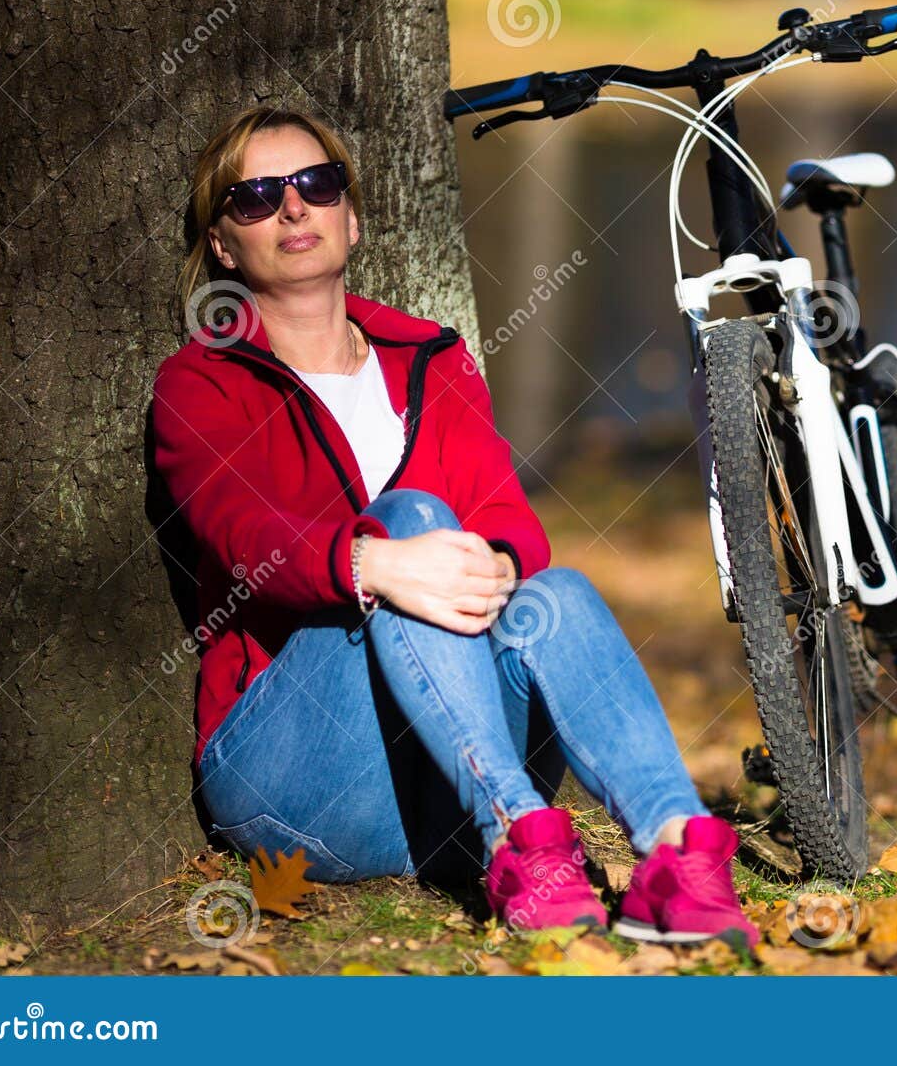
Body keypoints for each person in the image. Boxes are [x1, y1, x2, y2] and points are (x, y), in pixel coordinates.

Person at [148, 105, 758, 951]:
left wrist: (493, 571)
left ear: (350, 216)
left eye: (315, 185)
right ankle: (519, 832)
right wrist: (376, 564)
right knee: (410, 519)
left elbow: (508, 516)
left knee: (556, 590)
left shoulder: (433, 355)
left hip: (441, 790)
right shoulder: (200, 384)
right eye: (255, 198)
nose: (292, 209)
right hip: (296, 778)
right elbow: (241, 537)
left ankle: (675, 853)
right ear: (222, 243)